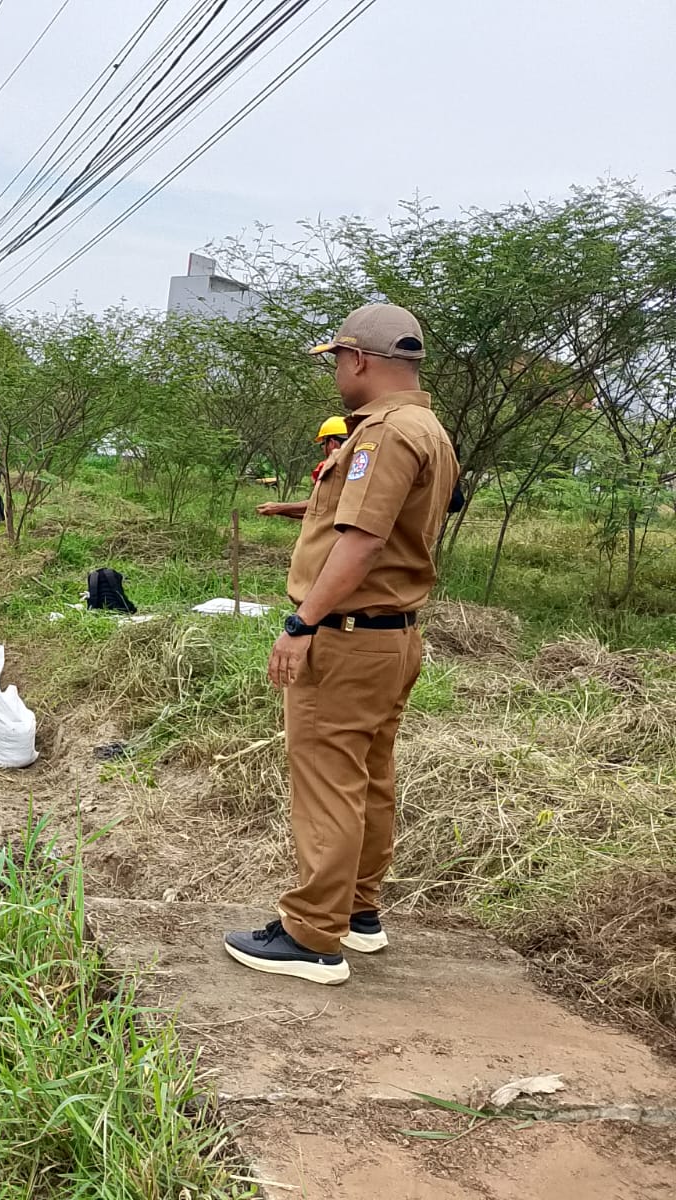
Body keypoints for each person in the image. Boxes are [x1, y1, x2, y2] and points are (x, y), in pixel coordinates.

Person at [225, 303, 457, 986]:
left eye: (336, 360)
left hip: (349, 637)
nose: (334, 372)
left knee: (327, 778)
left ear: (359, 359)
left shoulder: (382, 434)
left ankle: (309, 936)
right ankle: (357, 914)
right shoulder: (428, 428)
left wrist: (302, 625)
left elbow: (364, 539)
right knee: (368, 777)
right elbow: (379, 519)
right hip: (393, 639)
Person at [257, 417, 349, 521]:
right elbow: (318, 512)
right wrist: (281, 510)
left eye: (322, 444)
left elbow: (319, 504)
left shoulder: (332, 468)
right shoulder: (361, 466)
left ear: (331, 443)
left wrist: (279, 507)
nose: (322, 449)